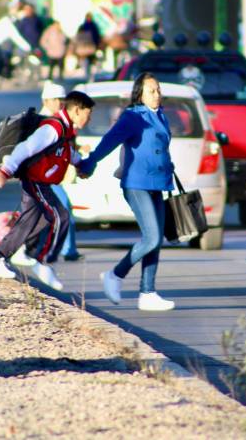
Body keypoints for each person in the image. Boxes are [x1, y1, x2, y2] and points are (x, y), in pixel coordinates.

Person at [78, 73, 176, 312]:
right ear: (139, 94)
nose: (156, 94)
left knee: (156, 241)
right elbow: (110, 141)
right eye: (151, 90)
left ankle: (148, 293)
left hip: (159, 183)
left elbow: (159, 148)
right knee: (151, 237)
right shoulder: (133, 116)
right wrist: (91, 162)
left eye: (158, 89)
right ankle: (114, 275)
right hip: (137, 183)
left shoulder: (160, 115)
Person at [0, 91, 96, 290]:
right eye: (89, 112)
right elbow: (27, 148)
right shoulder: (53, 127)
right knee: (60, 216)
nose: (90, 117)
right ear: (77, 110)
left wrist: (80, 165)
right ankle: (43, 263)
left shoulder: (66, 129)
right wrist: (5, 171)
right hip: (35, 181)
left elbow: (67, 152)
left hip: (41, 182)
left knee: (34, 220)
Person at [75, 12, 101, 81]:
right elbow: (97, 36)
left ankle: (87, 74)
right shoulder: (93, 26)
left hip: (85, 47)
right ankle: (88, 75)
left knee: (88, 61)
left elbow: (78, 37)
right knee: (90, 61)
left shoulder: (83, 26)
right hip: (90, 46)